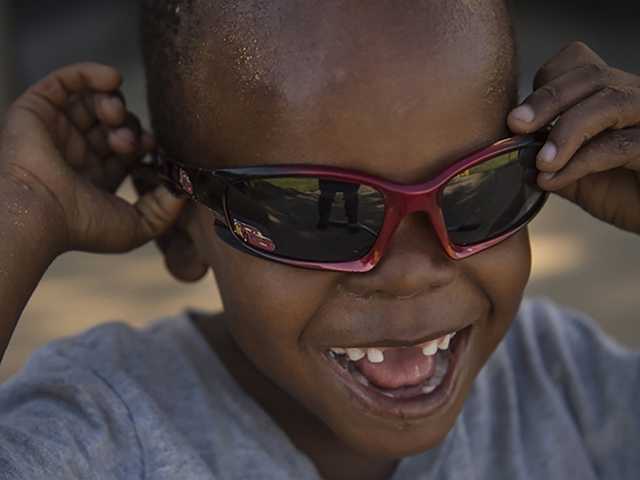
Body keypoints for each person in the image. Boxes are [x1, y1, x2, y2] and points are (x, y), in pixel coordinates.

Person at [0, 1, 639, 478]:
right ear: (180, 228)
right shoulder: (103, 433)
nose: (412, 271)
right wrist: (19, 215)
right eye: (321, 214)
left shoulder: (560, 381)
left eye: (479, 188)